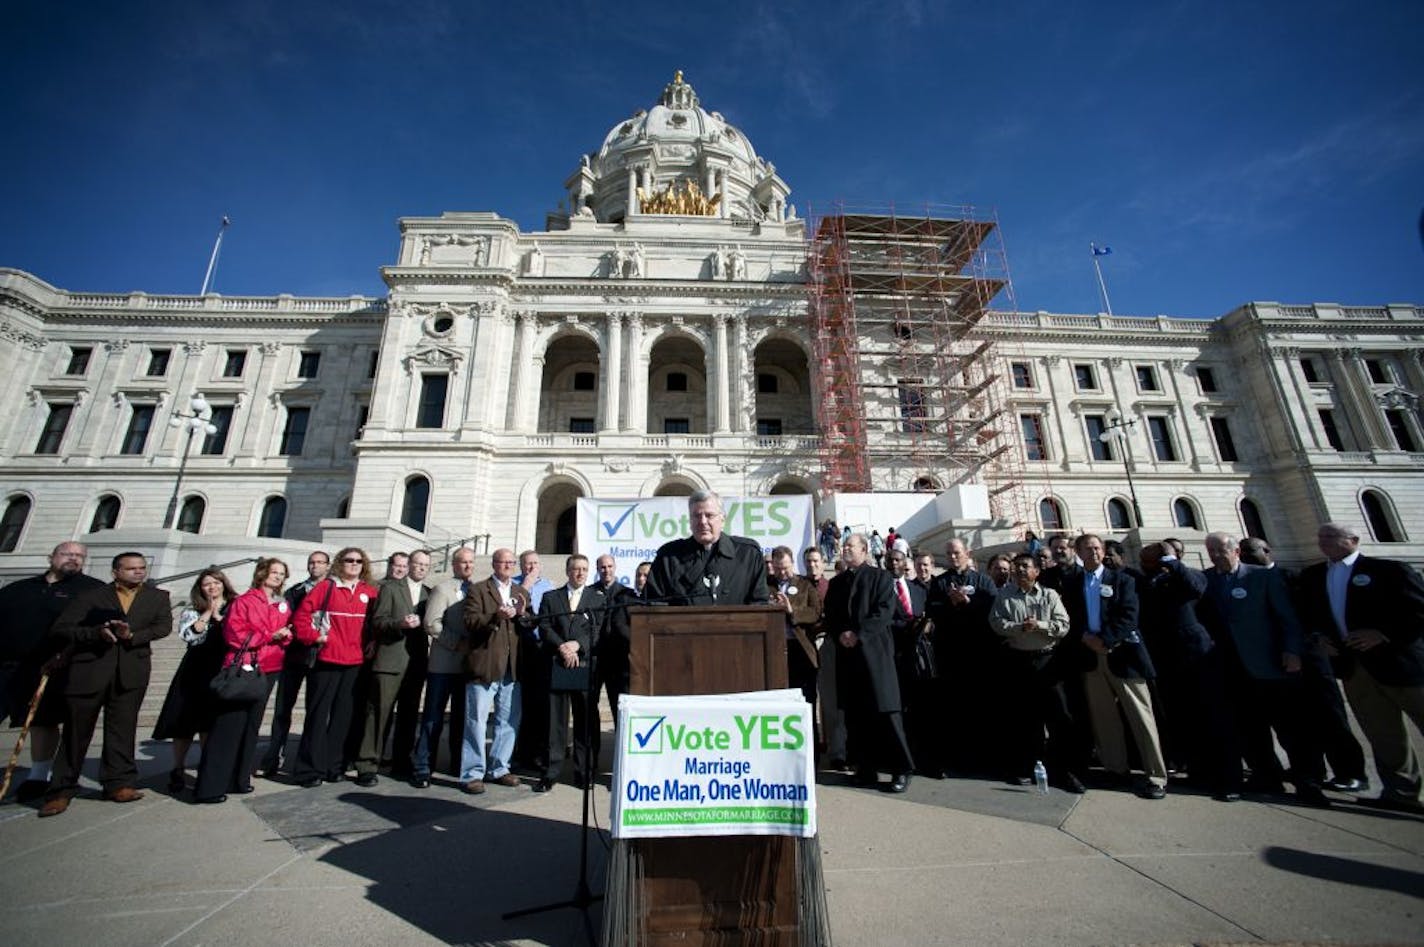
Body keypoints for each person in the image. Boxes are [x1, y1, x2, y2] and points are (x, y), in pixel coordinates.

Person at [1298, 523, 1424, 813]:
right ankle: (1402, 793)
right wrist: (1318, 638)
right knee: (1383, 733)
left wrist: (1384, 633)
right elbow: (1309, 616)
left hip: (1402, 665)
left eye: (1330, 537)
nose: (1323, 542)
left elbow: (1418, 612)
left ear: (1353, 540)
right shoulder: (1314, 576)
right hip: (1355, 668)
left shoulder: (1391, 570)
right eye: (1320, 537)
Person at [1197, 532, 1326, 805]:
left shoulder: (1263, 576)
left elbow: (1287, 618)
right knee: (1248, 727)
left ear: (1236, 551)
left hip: (1269, 664)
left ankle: (1308, 782)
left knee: (1290, 728)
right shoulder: (1206, 580)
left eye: (1221, 550)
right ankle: (1266, 775)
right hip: (1230, 668)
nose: (1216, 555)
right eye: (1211, 551)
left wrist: (1292, 651)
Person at [41, 552, 173, 817]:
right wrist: (96, 633)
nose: (138, 572)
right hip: (90, 671)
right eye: (131, 568)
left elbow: (162, 627)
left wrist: (133, 635)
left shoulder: (157, 597)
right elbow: (63, 628)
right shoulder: (92, 595)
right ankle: (61, 789)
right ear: (115, 571)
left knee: (123, 729)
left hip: (131, 671)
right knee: (76, 732)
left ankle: (119, 782)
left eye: (141, 568)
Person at [1239, 536, 1367, 794]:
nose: (1245, 555)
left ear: (1267, 550)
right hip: (1272, 662)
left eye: (1250, 550)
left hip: (1310, 659)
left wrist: (1320, 638)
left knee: (1329, 716)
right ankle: (1309, 769)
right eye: (1242, 552)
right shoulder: (1245, 581)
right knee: (1293, 723)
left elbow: (1318, 611)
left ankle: (1350, 772)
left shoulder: (1297, 577)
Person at [1062, 534, 1168, 800]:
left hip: (1122, 654)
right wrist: (1086, 638)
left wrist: (1106, 640)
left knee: (1141, 717)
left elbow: (1129, 615)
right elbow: (1070, 617)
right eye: (1088, 549)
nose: (1094, 553)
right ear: (1078, 553)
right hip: (1090, 656)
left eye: (1098, 548)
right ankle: (1115, 768)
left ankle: (1155, 775)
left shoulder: (1123, 579)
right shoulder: (1073, 582)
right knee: (1104, 717)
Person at [0, 541, 104, 802]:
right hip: (8, 666)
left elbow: (98, 631)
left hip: (53, 667)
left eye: (79, 555)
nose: (73, 559)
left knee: (43, 722)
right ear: (51, 556)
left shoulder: (92, 591)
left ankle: (38, 775)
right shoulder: (18, 589)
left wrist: (65, 654)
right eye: (67, 554)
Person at [1138, 541, 1238, 800]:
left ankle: (1228, 779)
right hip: (1167, 660)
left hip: (1198, 657)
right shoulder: (1152, 582)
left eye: (1157, 557)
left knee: (1213, 717)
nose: (1151, 561)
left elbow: (1195, 588)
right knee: (1183, 718)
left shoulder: (1191, 576)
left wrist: (1170, 559)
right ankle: (1198, 771)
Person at [194, 558, 293, 803]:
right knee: (228, 726)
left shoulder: (282, 604)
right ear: (262, 574)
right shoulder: (244, 601)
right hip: (242, 667)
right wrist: (271, 635)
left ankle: (239, 779)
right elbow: (236, 635)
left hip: (269, 668)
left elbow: (283, 635)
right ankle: (211, 787)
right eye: (273, 572)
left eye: (282, 574)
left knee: (251, 726)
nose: (277, 577)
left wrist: (285, 635)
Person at [826, 534, 912, 792]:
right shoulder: (837, 582)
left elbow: (884, 612)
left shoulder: (881, 578)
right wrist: (840, 632)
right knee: (856, 717)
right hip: (848, 659)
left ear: (864, 550)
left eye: (850, 546)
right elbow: (831, 615)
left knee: (886, 714)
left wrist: (858, 634)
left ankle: (901, 769)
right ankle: (865, 769)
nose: (845, 549)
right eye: (844, 546)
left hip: (875, 657)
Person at [292, 547, 377, 788]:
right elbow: (301, 617)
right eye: (349, 560)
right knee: (318, 716)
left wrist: (373, 642)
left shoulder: (368, 591)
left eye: (359, 561)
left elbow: (374, 623)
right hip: (327, 659)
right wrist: (313, 636)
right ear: (340, 563)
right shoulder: (326, 587)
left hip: (355, 662)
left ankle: (334, 766)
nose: (354, 564)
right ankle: (308, 770)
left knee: (343, 717)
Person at [989, 553, 1074, 787]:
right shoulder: (1005, 595)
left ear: (1037, 571)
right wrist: (1020, 627)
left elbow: (1063, 625)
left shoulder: (1049, 595)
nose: (1020, 570)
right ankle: (1028, 766)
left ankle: (1063, 770)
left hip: (1047, 661)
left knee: (1058, 716)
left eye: (1025, 566)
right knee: (1026, 718)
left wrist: (1040, 625)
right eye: (1017, 567)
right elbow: (996, 622)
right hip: (1019, 662)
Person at [152, 569, 238, 795]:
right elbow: (190, 636)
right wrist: (208, 613)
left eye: (216, 583)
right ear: (200, 588)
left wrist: (221, 617)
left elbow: (238, 634)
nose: (212, 587)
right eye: (207, 584)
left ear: (224, 584)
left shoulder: (235, 606)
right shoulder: (193, 610)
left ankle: (206, 767)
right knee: (185, 724)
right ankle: (178, 768)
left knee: (210, 724)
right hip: (195, 669)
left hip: (222, 668)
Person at [460, 548, 534, 794]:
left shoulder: (520, 592)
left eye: (511, 563)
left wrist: (522, 615)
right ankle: (472, 772)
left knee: (508, 721)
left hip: (512, 667)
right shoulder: (479, 589)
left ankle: (500, 768)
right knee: (477, 720)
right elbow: (470, 621)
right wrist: (495, 616)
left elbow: (529, 625)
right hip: (486, 664)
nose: (508, 566)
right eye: (503, 563)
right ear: (493, 564)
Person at [354, 549, 429, 786]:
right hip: (390, 660)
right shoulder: (390, 588)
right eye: (417, 564)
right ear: (409, 565)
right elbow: (379, 621)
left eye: (426, 565)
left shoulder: (428, 594)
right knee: (379, 713)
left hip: (415, 664)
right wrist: (400, 623)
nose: (421, 568)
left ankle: (401, 762)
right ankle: (367, 764)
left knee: (408, 716)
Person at [925, 538, 997, 776]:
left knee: (979, 706)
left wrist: (968, 602)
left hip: (977, 653)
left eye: (956, 553)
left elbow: (992, 608)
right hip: (949, 653)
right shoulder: (940, 582)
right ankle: (954, 758)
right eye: (949, 554)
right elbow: (932, 609)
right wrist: (950, 602)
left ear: (967, 553)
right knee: (952, 708)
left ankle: (982, 758)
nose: (953, 557)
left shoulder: (982, 580)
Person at [535, 554, 606, 792]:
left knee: (585, 721)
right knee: (555, 723)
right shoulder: (550, 597)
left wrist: (578, 645)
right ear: (567, 571)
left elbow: (599, 630)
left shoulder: (597, 598)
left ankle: (583, 772)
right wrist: (562, 647)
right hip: (557, 663)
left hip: (584, 665)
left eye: (584, 569)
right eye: (576, 569)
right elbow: (544, 626)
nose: (580, 573)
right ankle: (550, 772)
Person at [260, 549, 328, 777]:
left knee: (315, 710)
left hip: (321, 656)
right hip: (295, 655)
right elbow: (284, 619)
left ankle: (306, 757)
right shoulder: (295, 591)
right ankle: (273, 754)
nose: (315, 566)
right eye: (312, 562)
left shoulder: (332, 590)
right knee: (283, 709)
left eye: (320, 562)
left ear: (328, 566)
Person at [412, 546, 475, 787]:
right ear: (454, 565)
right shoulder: (442, 589)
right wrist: (456, 643)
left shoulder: (475, 590)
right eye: (463, 562)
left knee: (461, 719)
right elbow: (431, 623)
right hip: (443, 665)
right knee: (432, 718)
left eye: (470, 562)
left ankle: (458, 763)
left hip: (466, 667)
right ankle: (423, 766)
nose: (468, 566)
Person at [645, 490, 770, 606]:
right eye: (696, 516)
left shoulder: (747, 554)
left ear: (723, 520)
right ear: (690, 520)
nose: (703, 521)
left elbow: (760, 603)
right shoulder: (669, 557)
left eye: (709, 515)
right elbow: (653, 605)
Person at [886, 549, 933, 774]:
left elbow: (928, 617)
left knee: (921, 708)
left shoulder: (917, 589)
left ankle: (923, 758)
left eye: (898, 559)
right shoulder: (882, 589)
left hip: (917, 658)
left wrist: (925, 626)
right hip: (892, 655)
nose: (894, 563)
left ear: (905, 563)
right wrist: (907, 625)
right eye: (890, 560)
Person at [512, 550, 555, 776]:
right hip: (519, 649)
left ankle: (538, 754)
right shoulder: (513, 584)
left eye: (535, 563)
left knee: (540, 705)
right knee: (521, 705)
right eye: (527, 563)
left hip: (541, 650)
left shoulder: (549, 586)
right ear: (520, 565)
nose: (531, 567)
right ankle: (520, 754)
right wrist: (525, 586)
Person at [768, 545, 821, 709]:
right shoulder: (765, 585)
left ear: (792, 563)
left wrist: (792, 611)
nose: (782, 572)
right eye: (778, 569)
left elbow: (815, 612)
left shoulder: (805, 584)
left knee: (806, 696)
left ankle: (811, 733)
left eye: (785, 568)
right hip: (775, 648)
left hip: (800, 647)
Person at [591, 554, 633, 728]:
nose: (606, 570)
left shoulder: (627, 593)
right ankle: (591, 753)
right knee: (589, 706)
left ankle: (620, 748)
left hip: (617, 660)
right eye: (602, 567)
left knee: (619, 706)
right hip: (595, 657)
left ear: (615, 568)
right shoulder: (589, 593)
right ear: (597, 569)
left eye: (609, 566)